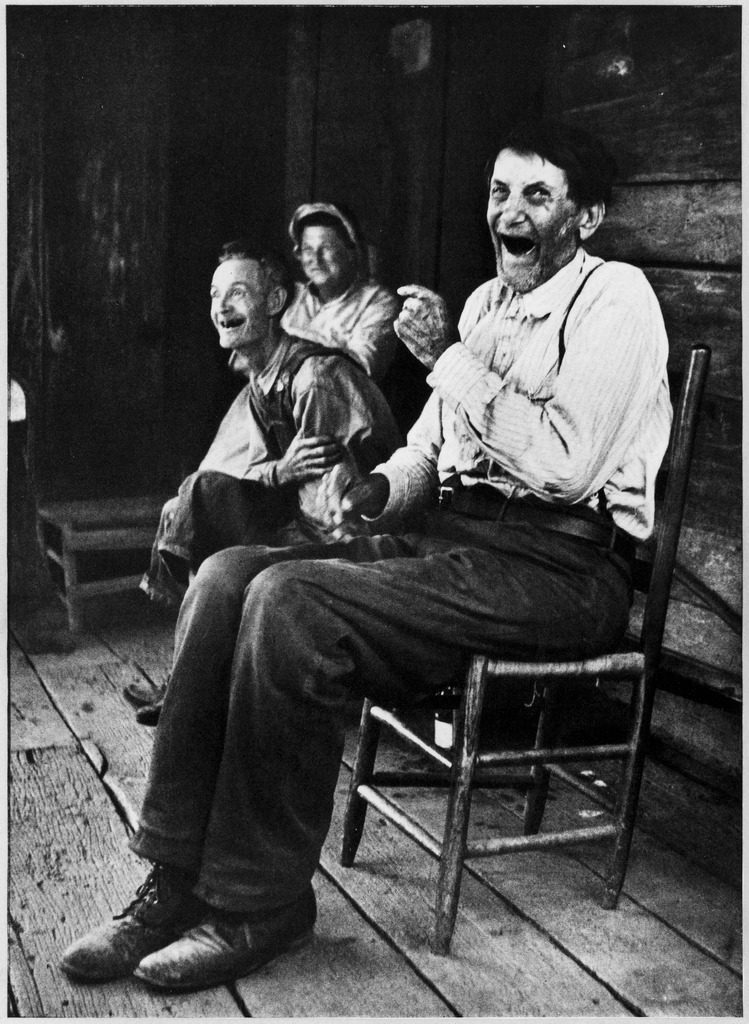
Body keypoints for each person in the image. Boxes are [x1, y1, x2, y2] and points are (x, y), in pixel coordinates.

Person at [61, 121, 672, 992]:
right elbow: (429, 452)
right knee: (230, 572)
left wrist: (446, 360)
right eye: (500, 192)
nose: (510, 211)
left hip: (562, 574)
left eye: (538, 194)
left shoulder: (618, 299)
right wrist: (372, 492)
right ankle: (170, 876)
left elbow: (566, 465)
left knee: (292, 603)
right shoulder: (488, 307)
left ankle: (258, 901)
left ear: (589, 215)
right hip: (459, 548)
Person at [128, 241, 401, 719]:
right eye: (215, 296)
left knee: (211, 517)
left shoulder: (313, 377)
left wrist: (270, 532)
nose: (221, 308)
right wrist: (278, 473)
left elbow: (334, 507)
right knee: (201, 495)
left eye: (237, 293)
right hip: (305, 514)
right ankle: (190, 678)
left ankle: (190, 685)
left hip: (357, 538)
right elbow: (240, 468)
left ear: (275, 303)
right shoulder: (263, 379)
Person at [281, 201, 400, 383]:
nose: (315, 258)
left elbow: (360, 370)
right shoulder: (292, 296)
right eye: (307, 249)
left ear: (351, 251)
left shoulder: (377, 302)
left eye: (326, 247)